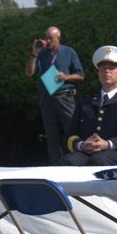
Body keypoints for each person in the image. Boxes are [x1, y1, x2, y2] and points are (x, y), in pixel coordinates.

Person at [59, 45, 117, 165]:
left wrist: (108, 144)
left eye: (111, 68)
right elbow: (70, 135)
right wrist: (81, 145)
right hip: (87, 151)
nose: (107, 71)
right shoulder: (85, 103)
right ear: (98, 73)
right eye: (103, 68)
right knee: (68, 160)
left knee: (98, 160)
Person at [26, 26, 84, 163]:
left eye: (51, 38)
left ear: (58, 38)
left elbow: (81, 75)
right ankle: (56, 164)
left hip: (64, 96)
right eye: (46, 37)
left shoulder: (69, 52)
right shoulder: (41, 54)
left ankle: (77, 161)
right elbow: (29, 73)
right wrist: (34, 54)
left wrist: (66, 77)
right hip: (46, 98)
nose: (47, 41)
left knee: (71, 130)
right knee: (52, 135)